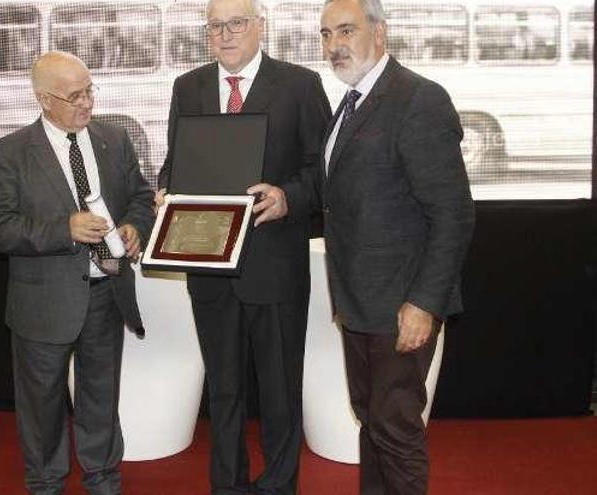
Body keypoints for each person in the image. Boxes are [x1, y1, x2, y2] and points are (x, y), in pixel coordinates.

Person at [156, 0, 330, 492]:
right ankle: (227, 485)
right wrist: (167, 190)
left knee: (279, 393)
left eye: (237, 23)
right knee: (224, 392)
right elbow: (176, 161)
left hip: (274, 265)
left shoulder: (299, 85)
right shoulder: (186, 87)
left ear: (260, 27)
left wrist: (287, 197)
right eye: (216, 25)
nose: (226, 34)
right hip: (208, 264)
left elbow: (324, 169)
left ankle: (277, 486)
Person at [319, 0, 476, 493]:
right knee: (374, 419)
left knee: (395, 425)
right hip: (360, 303)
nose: (333, 45)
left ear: (381, 33)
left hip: (401, 306)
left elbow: (453, 213)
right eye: (325, 35)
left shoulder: (418, 99)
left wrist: (424, 304)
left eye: (346, 30)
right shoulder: (350, 103)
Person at [0, 51, 154, 495]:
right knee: (41, 408)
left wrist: (135, 226)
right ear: (44, 99)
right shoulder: (9, 153)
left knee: (101, 399)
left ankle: (103, 479)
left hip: (105, 295)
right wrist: (65, 229)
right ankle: (46, 483)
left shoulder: (115, 140)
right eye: (74, 96)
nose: (87, 103)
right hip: (42, 303)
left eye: (89, 91)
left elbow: (139, 195)